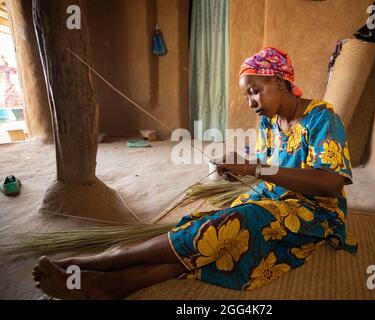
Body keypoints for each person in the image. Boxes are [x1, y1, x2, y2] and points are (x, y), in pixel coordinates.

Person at [32, 47, 357, 300]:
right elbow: (270, 164)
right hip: (272, 199)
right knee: (211, 233)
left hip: (312, 214)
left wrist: (256, 169)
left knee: (232, 226)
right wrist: (240, 167)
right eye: (247, 95)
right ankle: (116, 285)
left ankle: (100, 263)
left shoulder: (322, 118)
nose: (251, 101)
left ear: (279, 81)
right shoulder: (268, 121)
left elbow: (329, 184)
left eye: (255, 90)